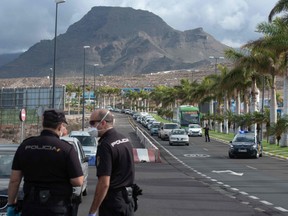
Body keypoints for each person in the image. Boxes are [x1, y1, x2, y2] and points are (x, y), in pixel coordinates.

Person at [7, 108, 84, 216]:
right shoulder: (66, 149)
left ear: (43, 123)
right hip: (57, 208)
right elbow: (78, 181)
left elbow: (15, 180)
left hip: (31, 208)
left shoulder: (25, 146)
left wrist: (11, 204)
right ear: (60, 125)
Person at [88, 109, 135, 216]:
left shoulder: (105, 145)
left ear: (103, 123)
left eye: (92, 123)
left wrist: (93, 211)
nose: (90, 127)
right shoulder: (124, 139)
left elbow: (104, 183)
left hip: (113, 203)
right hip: (128, 200)